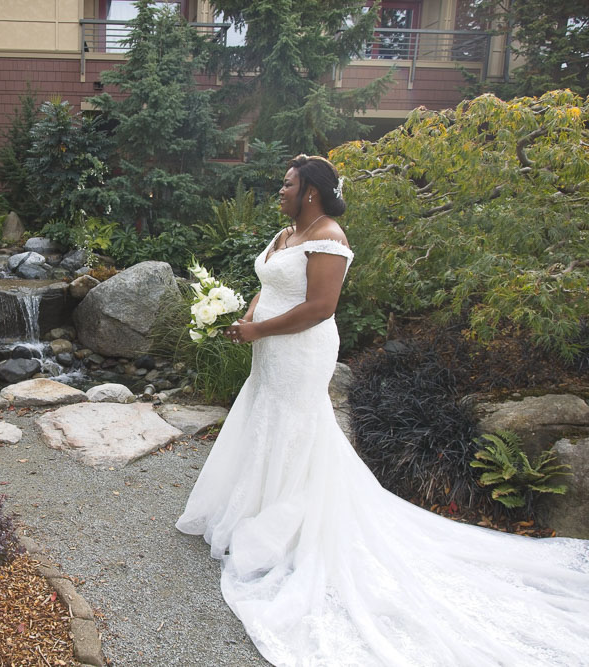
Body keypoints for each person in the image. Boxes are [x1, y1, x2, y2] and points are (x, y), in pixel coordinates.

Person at [177, 155, 589, 666]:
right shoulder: (285, 234)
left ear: (310, 192)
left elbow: (321, 307)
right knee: (264, 417)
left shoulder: (331, 237)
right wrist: (245, 316)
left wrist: (258, 330)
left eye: (286, 184)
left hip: (301, 350)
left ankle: (286, 528)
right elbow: (272, 286)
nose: (279, 190)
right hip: (270, 351)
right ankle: (251, 510)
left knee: (295, 427)